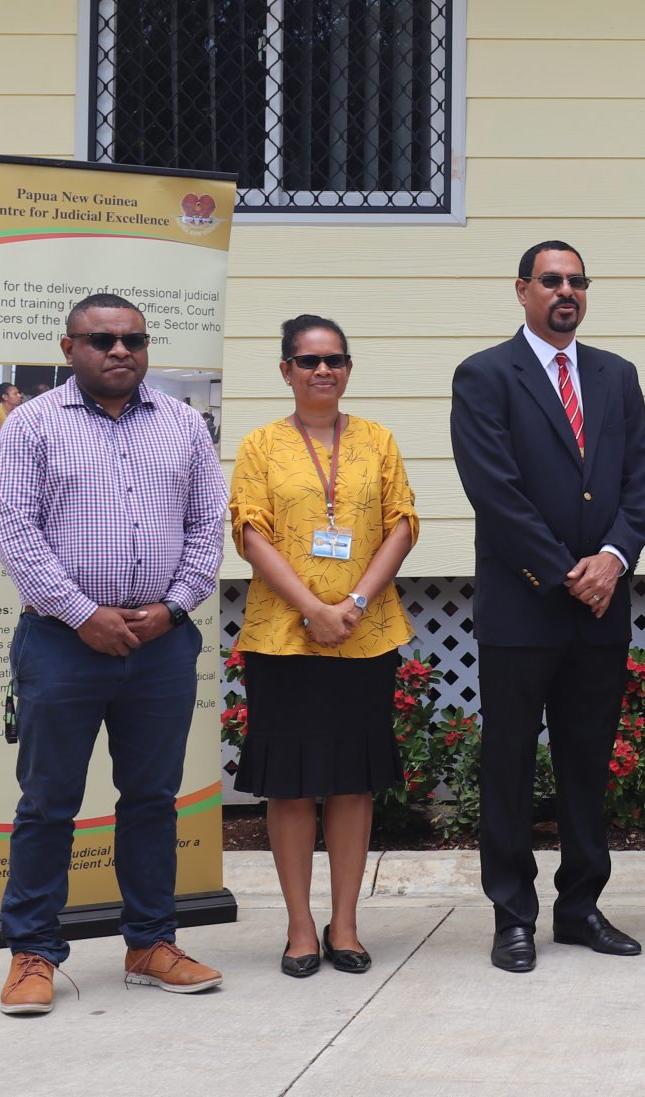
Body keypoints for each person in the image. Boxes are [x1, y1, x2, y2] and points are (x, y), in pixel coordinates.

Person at [0, 294, 226, 1015]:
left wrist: (173, 607)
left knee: (151, 800)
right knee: (48, 803)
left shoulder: (183, 424)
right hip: (62, 644)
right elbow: (13, 530)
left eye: (133, 339)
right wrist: (84, 614)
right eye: (102, 339)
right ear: (69, 347)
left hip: (160, 646)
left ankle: (151, 943)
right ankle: (32, 953)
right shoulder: (30, 425)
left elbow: (208, 526)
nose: (120, 350)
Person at [450, 241, 645, 974]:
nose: (565, 291)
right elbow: (494, 489)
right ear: (522, 290)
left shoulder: (616, 375)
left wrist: (614, 559)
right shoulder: (484, 375)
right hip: (524, 604)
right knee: (508, 762)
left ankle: (580, 908)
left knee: (585, 763)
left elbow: (639, 480)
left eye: (576, 281)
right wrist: (563, 571)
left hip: (600, 607)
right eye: (551, 281)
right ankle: (513, 913)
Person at [230, 314, 419, 978]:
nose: (322, 371)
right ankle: (301, 926)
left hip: (364, 637)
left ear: (347, 367)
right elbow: (250, 531)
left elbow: (402, 521)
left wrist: (354, 603)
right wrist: (312, 608)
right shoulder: (260, 445)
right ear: (285, 369)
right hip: (284, 638)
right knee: (289, 785)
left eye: (334, 359)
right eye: (308, 360)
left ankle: (346, 923)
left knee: (352, 783)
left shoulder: (376, 440)